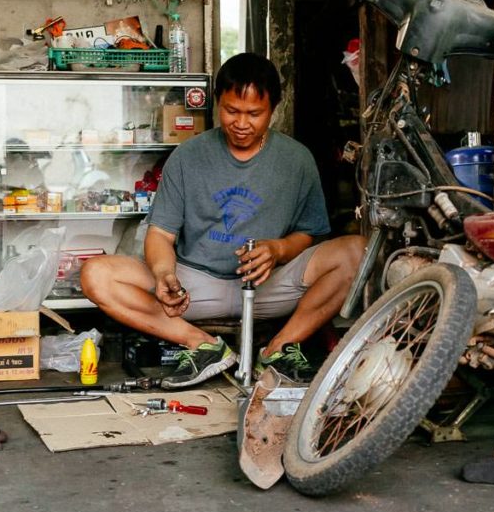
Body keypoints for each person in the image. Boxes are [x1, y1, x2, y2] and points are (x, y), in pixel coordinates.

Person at [81, 52, 365, 389]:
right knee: (96, 274)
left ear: (274, 108)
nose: (241, 123)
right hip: (194, 286)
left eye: (254, 114)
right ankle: (203, 347)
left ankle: (278, 350)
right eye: (231, 111)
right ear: (217, 102)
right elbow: (160, 234)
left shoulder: (297, 160)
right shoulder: (187, 157)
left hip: (270, 285)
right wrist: (164, 274)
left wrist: (277, 250)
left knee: (358, 252)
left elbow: (309, 233)